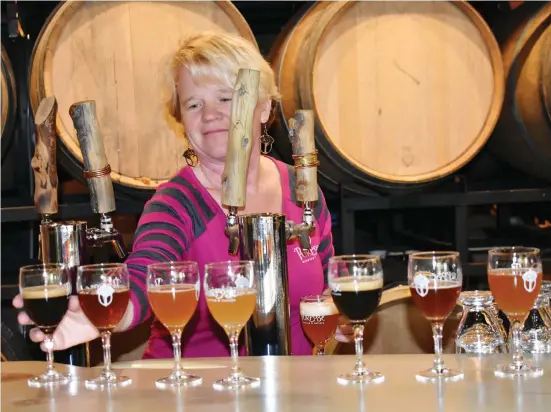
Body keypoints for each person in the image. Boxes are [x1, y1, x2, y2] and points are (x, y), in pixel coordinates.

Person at [13, 32, 340, 358]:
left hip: (294, 390)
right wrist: (104, 313)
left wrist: (341, 315)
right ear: (181, 120)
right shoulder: (176, 202)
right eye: (194, 104)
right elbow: (144, 271)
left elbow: (327, 285)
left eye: (226, 98)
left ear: (264, 107)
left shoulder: (302, 189)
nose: (209, 114)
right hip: (195, 394)